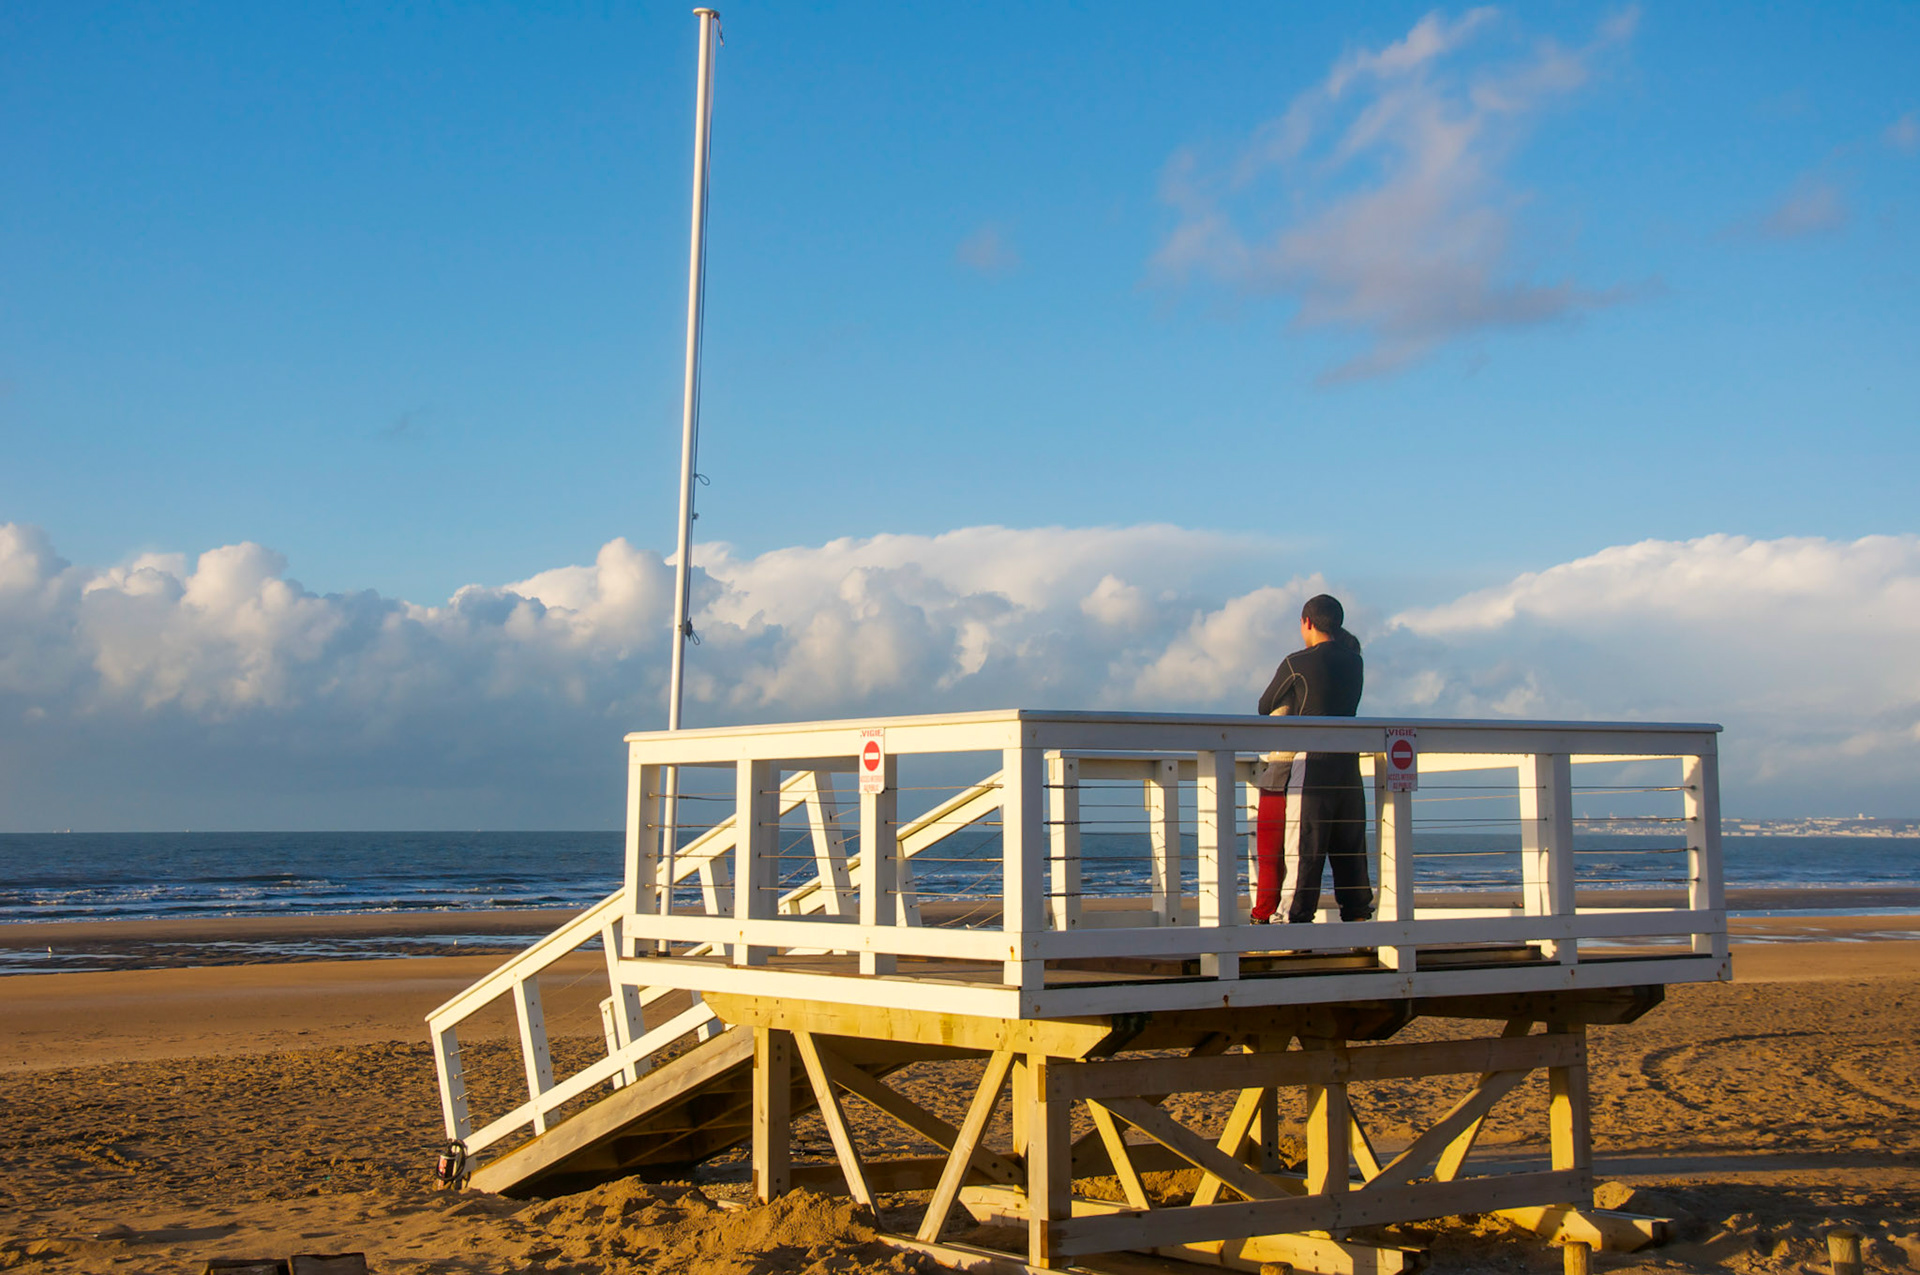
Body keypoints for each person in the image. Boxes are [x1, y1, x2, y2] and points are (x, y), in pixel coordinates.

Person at [1249, 594, 1374, 925]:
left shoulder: (1298, 662)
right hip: (1348, 765)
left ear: (1307, 622)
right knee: (1350, 850)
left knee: (1304, 850)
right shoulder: (1355, 662)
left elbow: (1265, 705)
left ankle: (1293, 928)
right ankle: (1359, 924)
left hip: (1313, 764)